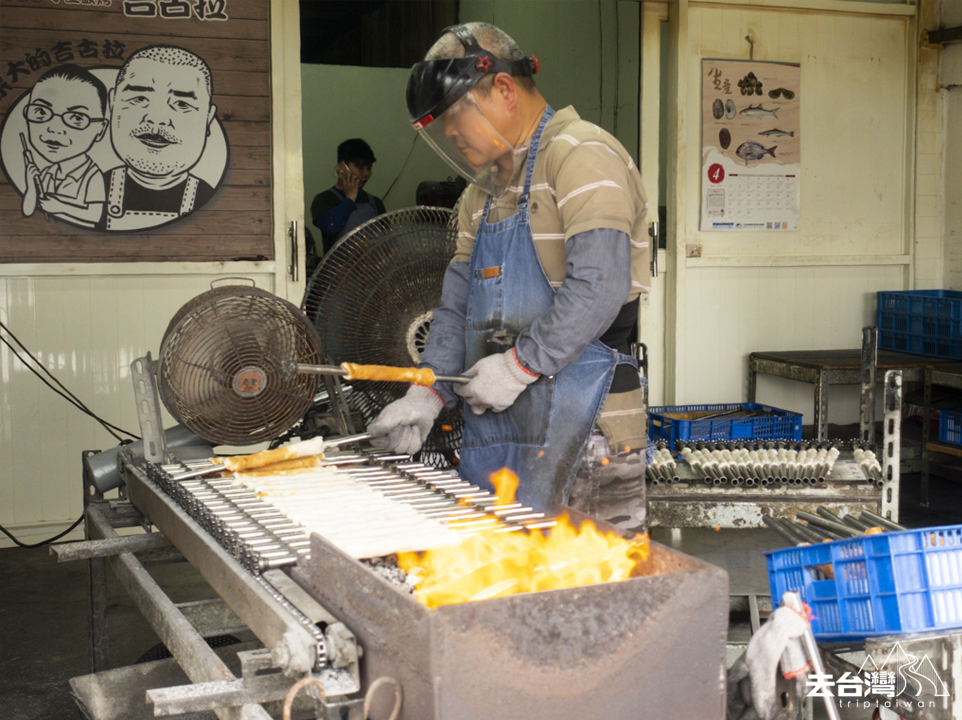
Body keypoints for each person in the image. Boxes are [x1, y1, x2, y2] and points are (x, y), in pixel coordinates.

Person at [368, 23, 651, 533]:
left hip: (589, 424)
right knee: (505, 591)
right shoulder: (478, 196)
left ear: (502, 90)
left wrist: (519, 366)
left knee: (592, 593)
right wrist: (427, 393)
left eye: (454, 117)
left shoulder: (581, 156)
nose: (450, 135)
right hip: (499, 428)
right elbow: (456, 310)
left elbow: (600, 287)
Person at [102, 45, 218, 231]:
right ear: (111, 104)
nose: (157, 118)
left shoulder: (214, 201)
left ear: (208, 119)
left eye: (181, 103)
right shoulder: (89, 190)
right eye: (139, 98)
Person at [20, 64, 108, 228]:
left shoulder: (92, 175)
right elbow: (26, 211)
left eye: (77, 118)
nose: (54, 128)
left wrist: (60, 207)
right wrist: (31, 186)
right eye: (41, 112)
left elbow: (96, 215)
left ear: (101, 129)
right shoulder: (47, 173)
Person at [310, 139, 386, 256]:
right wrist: (350, 198)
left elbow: (386, 243)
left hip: (371, 272)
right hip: (338, 273)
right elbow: (329, 227)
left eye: (369, 168)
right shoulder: (324, 199)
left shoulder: (375, 203)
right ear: (342, 168)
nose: (366, 174)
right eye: (360, 167)